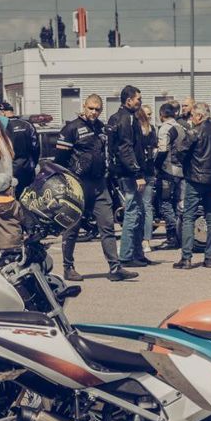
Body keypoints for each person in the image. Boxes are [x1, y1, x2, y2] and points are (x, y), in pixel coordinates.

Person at [55, 93, 136, 283]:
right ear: (84, 106)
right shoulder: (71, 128)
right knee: (72, 228)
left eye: (97, 109)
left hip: (100, 184)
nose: (93, 112)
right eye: (90, 108)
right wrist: (66, 181)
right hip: (77, 185)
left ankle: (115, 267)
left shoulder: (101, 128)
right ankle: (68, 267)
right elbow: (59, 160)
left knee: (107, 226)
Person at [173, 102, 211, 269]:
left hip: (195, 178)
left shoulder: (194, 132)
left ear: (199, 116)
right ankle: (209, 258)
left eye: (192, 115)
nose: (191, 119)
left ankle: (186, 258)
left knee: (188, 217)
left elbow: (180, 152)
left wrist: (187, 164)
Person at [108, 85, 154, 267]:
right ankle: (127, 255)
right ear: (128, 100)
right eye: (138, 99)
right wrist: (137, 173)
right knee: (133, 213)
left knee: (139, 213)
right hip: (129, 174)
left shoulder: (124, 117)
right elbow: (125, 148)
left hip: (128, 172)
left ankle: (137, 253)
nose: (140, 102)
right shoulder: (125, 119)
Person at [154, 102, 185, 250]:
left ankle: (172, 236)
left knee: (164, 203)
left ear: (161, 115)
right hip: (182, 171)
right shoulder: (181, 127)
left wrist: (156, 166)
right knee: (177, 204)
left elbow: (162, 150)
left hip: (168, 171)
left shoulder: (165, 128)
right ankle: (180, 236)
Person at [0, 101, 40, 192]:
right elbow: (36, 147)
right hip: (27, 168)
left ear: (2, 112)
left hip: (9, 169)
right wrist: (33, 163)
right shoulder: (28, 125)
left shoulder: (1, 127)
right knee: (28, 195)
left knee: (11, 196)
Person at [136, 104, 157, 254]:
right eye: (147, 114)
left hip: (140, 172)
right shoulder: (152, 130)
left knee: (138, 207)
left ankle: (142, 241)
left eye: (150, 114)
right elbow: (155, 149)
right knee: (146, 206)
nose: (149, 116)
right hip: (149, 170)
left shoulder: (136, 129)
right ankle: (146, 241)